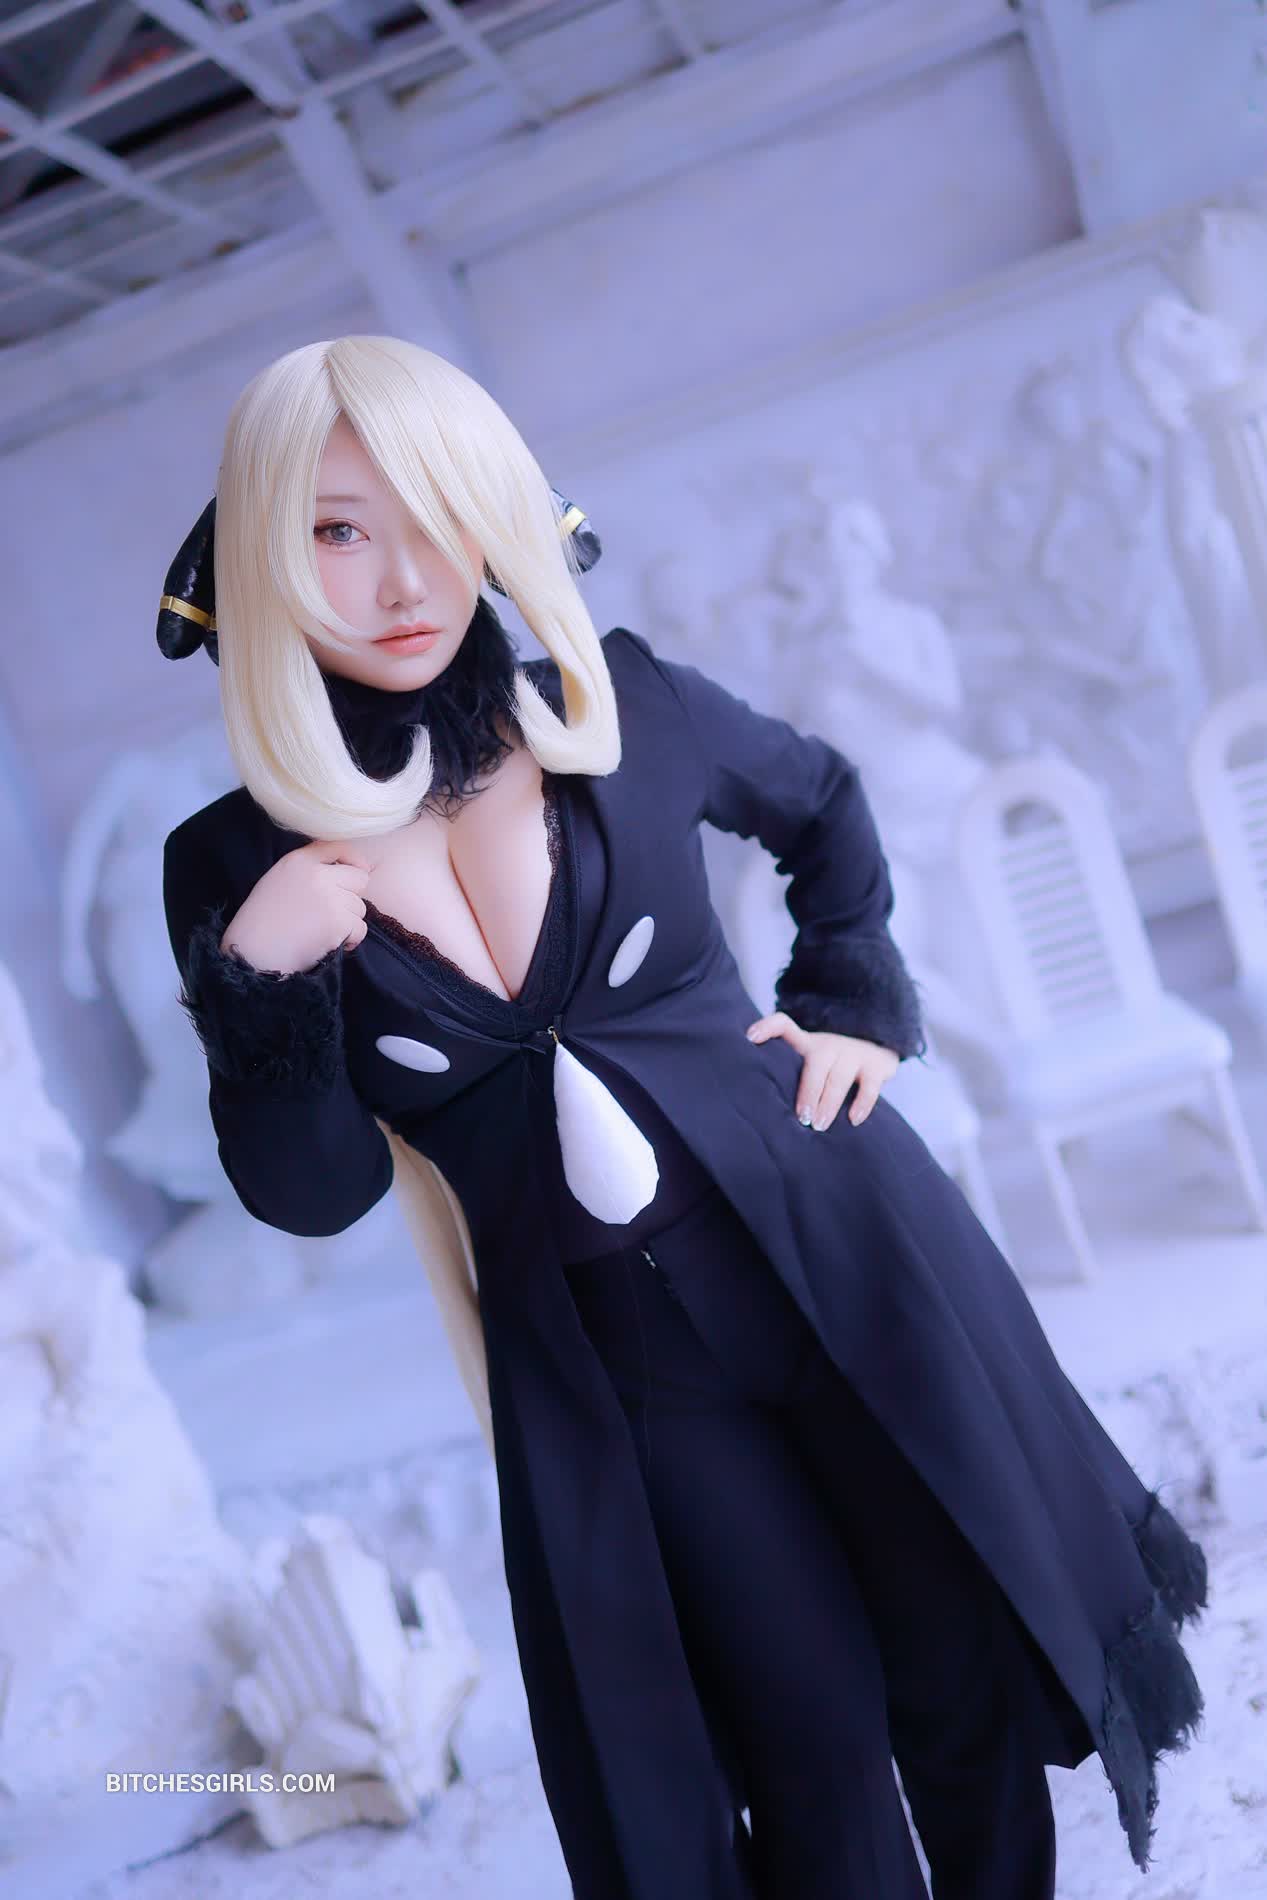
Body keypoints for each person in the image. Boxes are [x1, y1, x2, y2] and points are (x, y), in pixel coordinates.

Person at [159, 335, 1208, 1900]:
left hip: (844, 1253)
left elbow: (826, 803)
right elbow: (310, 1193)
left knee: (957, 1671)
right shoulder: (234, 867)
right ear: (260, 552)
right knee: (807, 1740)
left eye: (439, 511)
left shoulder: (617, 700)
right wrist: (261, 984)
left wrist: (854, 1003)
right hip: (623, 1369)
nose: (407, 578)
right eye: (337, 530)